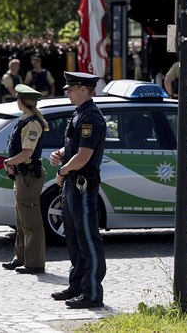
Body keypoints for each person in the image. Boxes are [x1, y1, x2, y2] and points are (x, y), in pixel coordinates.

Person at [49, 72, 106, 309]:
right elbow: (75, 147)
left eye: (71, 88)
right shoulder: (79, 114)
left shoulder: (91, 117)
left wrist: (62, 171)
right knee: (73, 236)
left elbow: (83, 157)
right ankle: (77, 286)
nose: (68, 92)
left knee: (87, 238)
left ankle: (92, 292)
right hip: (73, 184)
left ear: (84, 89)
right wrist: (62, 153)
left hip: (82, 184)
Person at [1, 84, 49, 275]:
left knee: (31, 221)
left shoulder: (32, 123)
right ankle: (20, 258)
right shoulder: (25, 120)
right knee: (21, 220)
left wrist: (9, 162)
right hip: (22, 174)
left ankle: (35, 263)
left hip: (29, 175)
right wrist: (13, 163)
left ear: (21, 102)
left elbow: (27, 152)